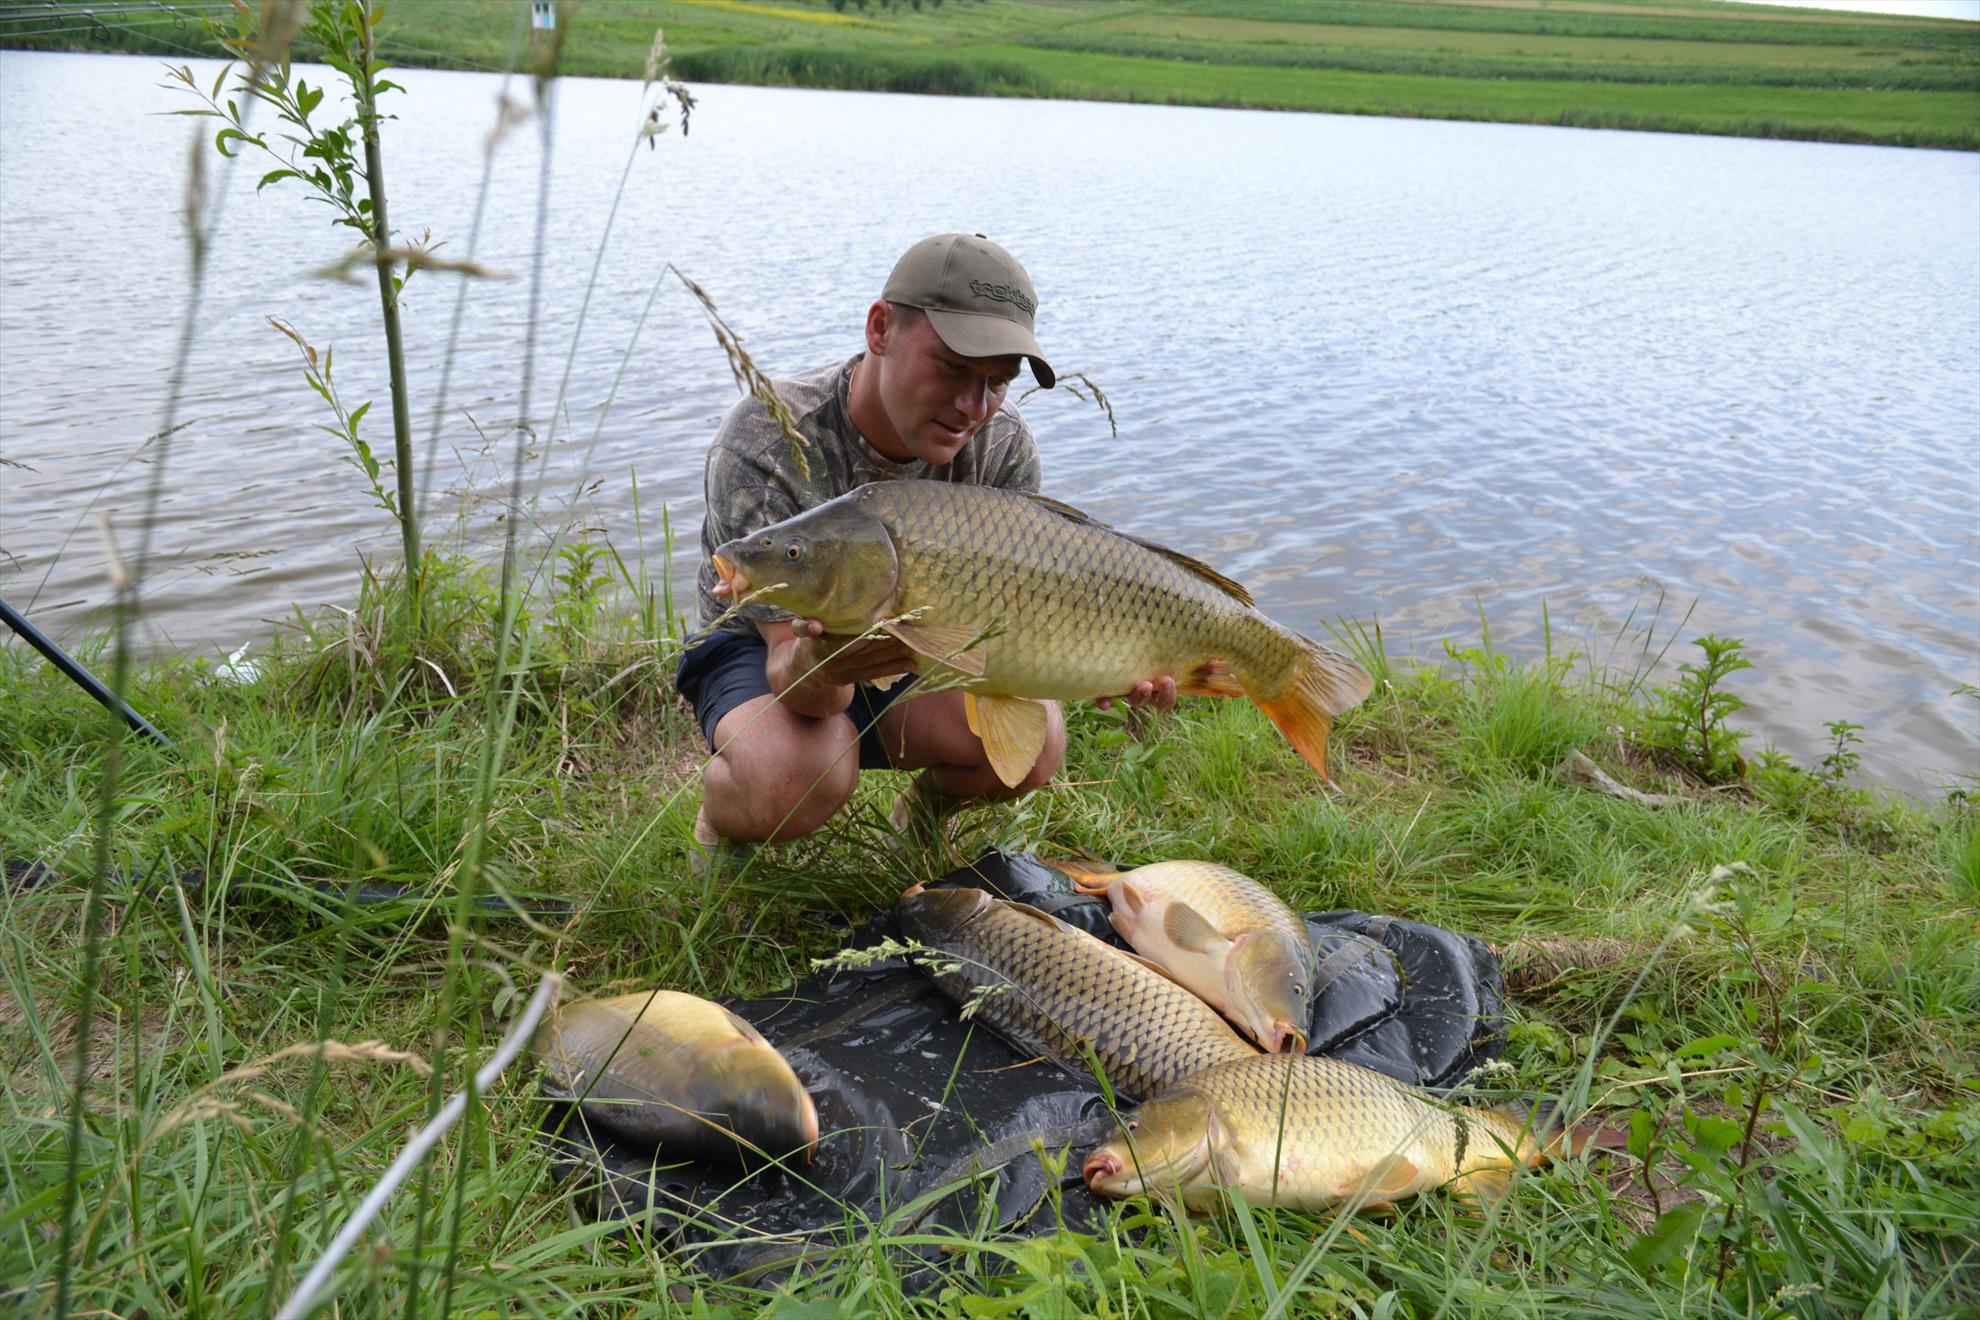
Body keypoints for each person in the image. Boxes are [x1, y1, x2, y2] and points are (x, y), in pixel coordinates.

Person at [674, 233, 1177, 862]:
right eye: (954, 369)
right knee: (793, 778)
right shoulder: (767, 439)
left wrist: (1113, 658)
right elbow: (797, 680)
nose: (973, 407)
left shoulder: (1001, 444)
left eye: (997, 382)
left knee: (1035, 746)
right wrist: (827, 660)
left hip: (924, 643)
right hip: (766, 654)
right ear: (880, 328)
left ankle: (919, 818)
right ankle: (727, 821)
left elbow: (1012, 621)